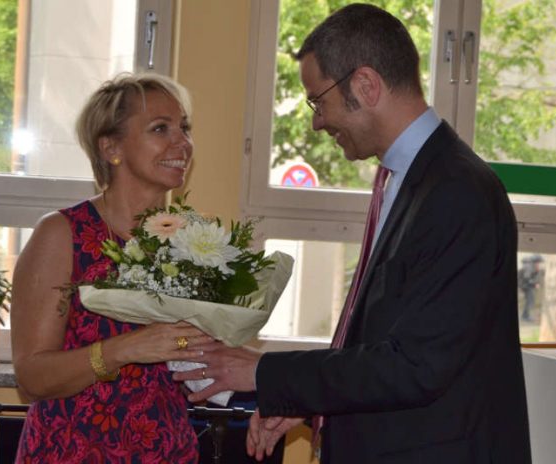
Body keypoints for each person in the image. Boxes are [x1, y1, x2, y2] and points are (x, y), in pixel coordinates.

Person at [173, 4, 532, 463]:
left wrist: (264, 372)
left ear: (365, 85)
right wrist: (308, 398)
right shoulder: (405, 180)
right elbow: (381, 342)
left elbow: (416, 366)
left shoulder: (457, 191)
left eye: (318, 100)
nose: (317, 122)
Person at [11, 73, 211, 463]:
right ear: (111, 148)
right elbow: (31, 378)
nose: (182, 143)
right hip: (71, 452)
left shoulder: (194, 241)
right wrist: (124, 349)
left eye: (184, 128)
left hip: (166, 451)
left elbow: (188, 354)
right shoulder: (63, 234)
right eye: (160, 128)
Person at [518, 255, 542, 321]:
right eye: (538, 263)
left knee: (529, 301)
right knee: (529, 300)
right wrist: (534, 285)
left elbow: (530, 278)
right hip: (524, 286)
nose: (539, 264)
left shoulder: (532, 268)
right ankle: (525, 316)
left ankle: (525, 315)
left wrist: (536, 271)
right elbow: (527, 279)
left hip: (525, 286)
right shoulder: (529, 268)